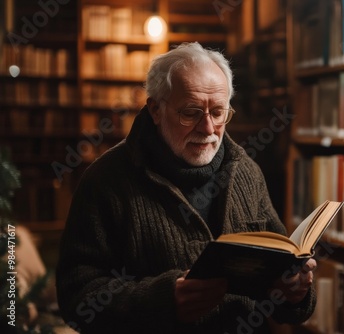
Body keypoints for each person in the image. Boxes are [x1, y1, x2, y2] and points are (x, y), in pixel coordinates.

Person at [56, 42, 317, 334]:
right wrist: (163, 301)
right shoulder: (105, 181)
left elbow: (283, 290)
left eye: (218, 113)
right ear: (155, 109)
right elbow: (76, 299)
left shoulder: (247, 172)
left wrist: (296, 292)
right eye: (191, 113)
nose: (207, 128)